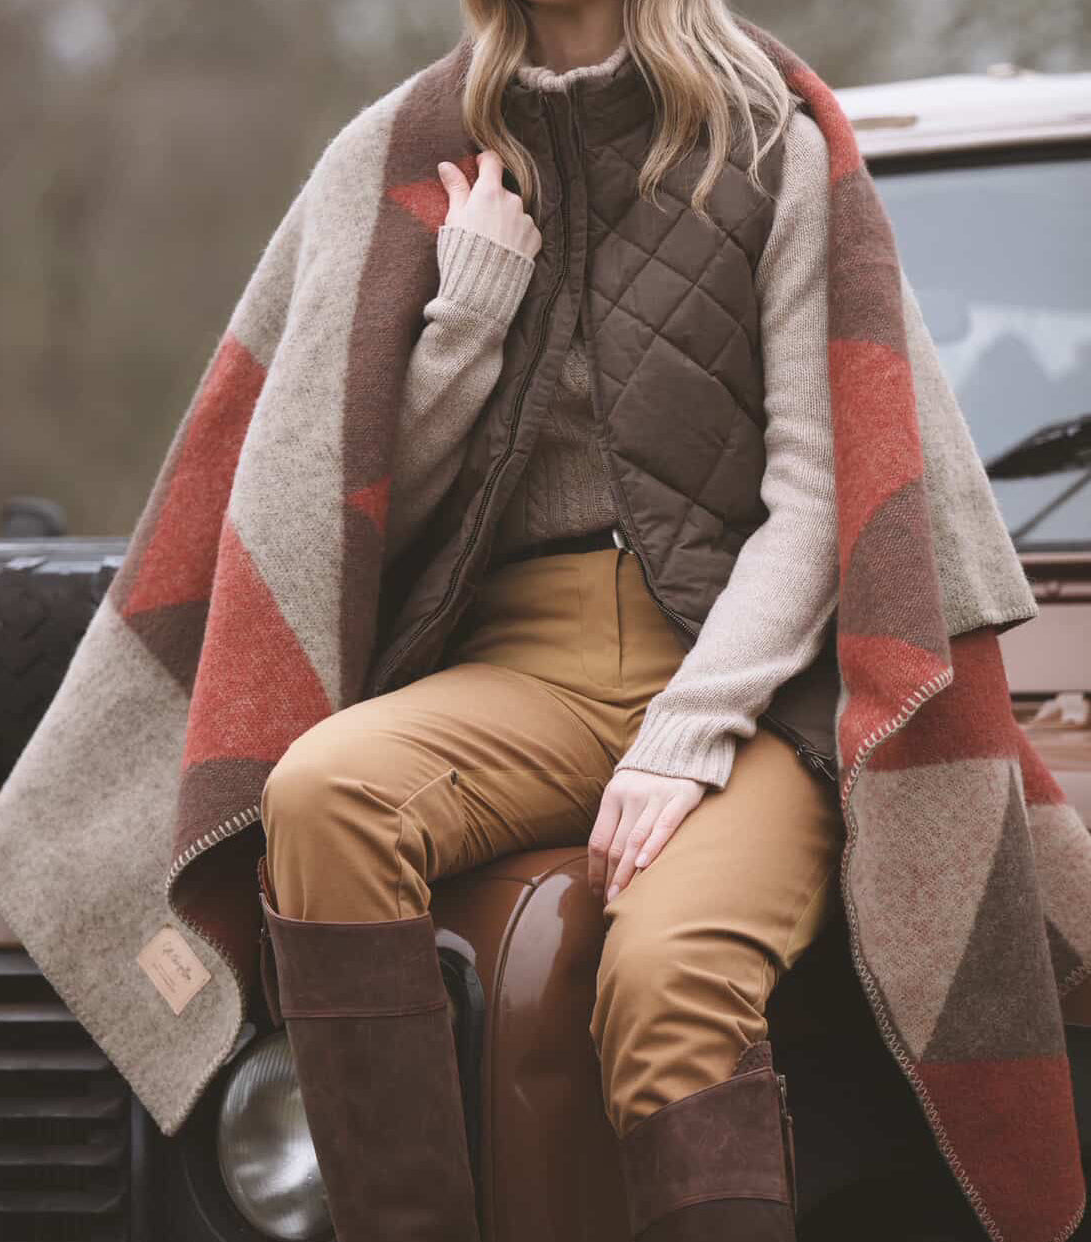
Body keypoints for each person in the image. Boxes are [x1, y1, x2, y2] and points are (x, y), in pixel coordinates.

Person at [258, 0, 851, 1238]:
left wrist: (688, 729)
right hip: (521, 661)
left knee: (670, 976)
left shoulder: (771, 146)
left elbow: (819, 493)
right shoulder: (415, 148)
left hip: (751, 679)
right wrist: (468, 316)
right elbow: (366, 517)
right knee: (321, 792)